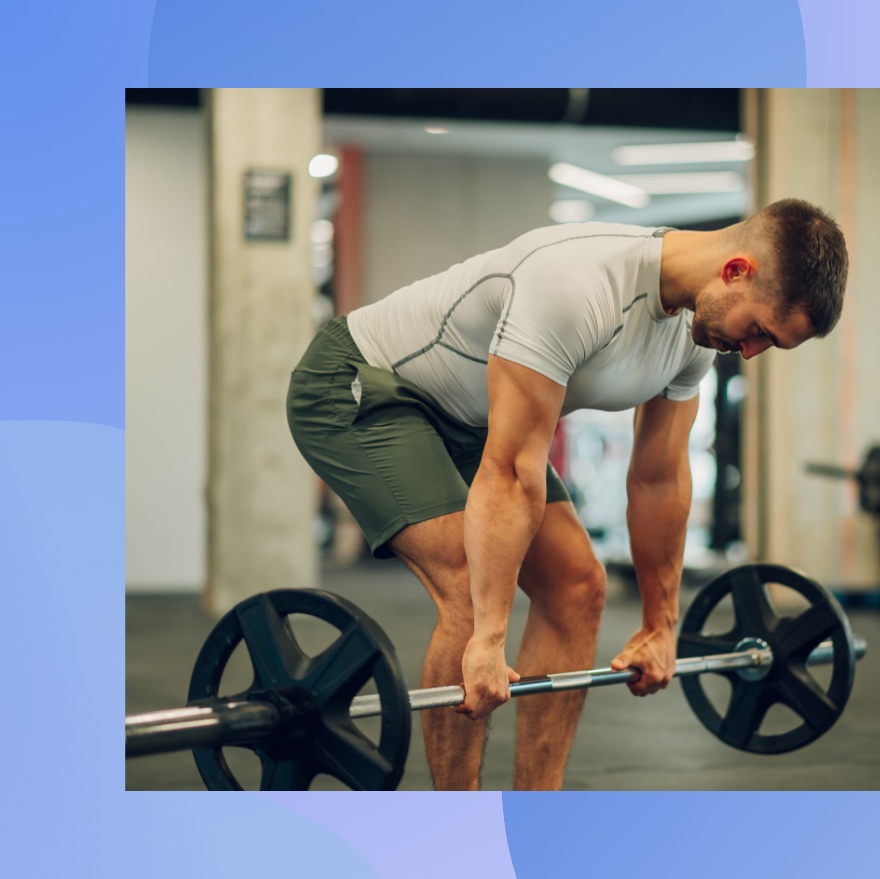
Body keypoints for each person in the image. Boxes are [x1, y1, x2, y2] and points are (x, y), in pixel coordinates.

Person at [285, 198, 848, 790]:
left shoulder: (698, 337)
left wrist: (661, 623)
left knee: (579, 585)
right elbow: (509, 472)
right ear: (736, 271)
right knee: (470, 587)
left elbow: (659, 477)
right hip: (363, 385)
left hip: (471, 420)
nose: (753, 351)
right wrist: (488, 640)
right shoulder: (577, 284)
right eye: (759, 332)